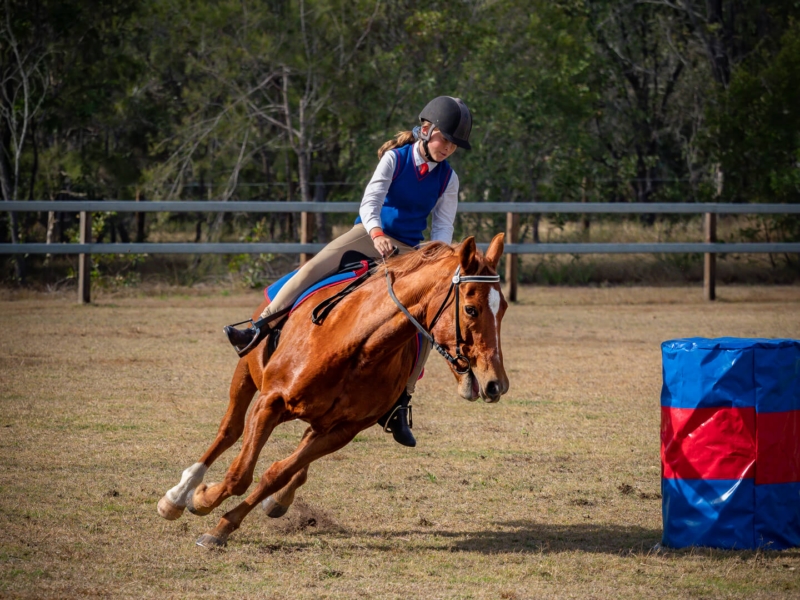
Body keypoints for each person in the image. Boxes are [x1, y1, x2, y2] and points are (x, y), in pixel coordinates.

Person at [225, 96, 473, 447]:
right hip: (368, 235)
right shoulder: (395, 158)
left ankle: (401, 400)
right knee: (314, 267)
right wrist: (376, 234)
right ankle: (258, 327)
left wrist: (436, 259)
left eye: (454, 144)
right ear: (426, 130)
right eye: (444, 139)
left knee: (426, 321)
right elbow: (370, 203)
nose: (448, 148)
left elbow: (444, 226)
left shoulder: (449, 178)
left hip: (410, 250)